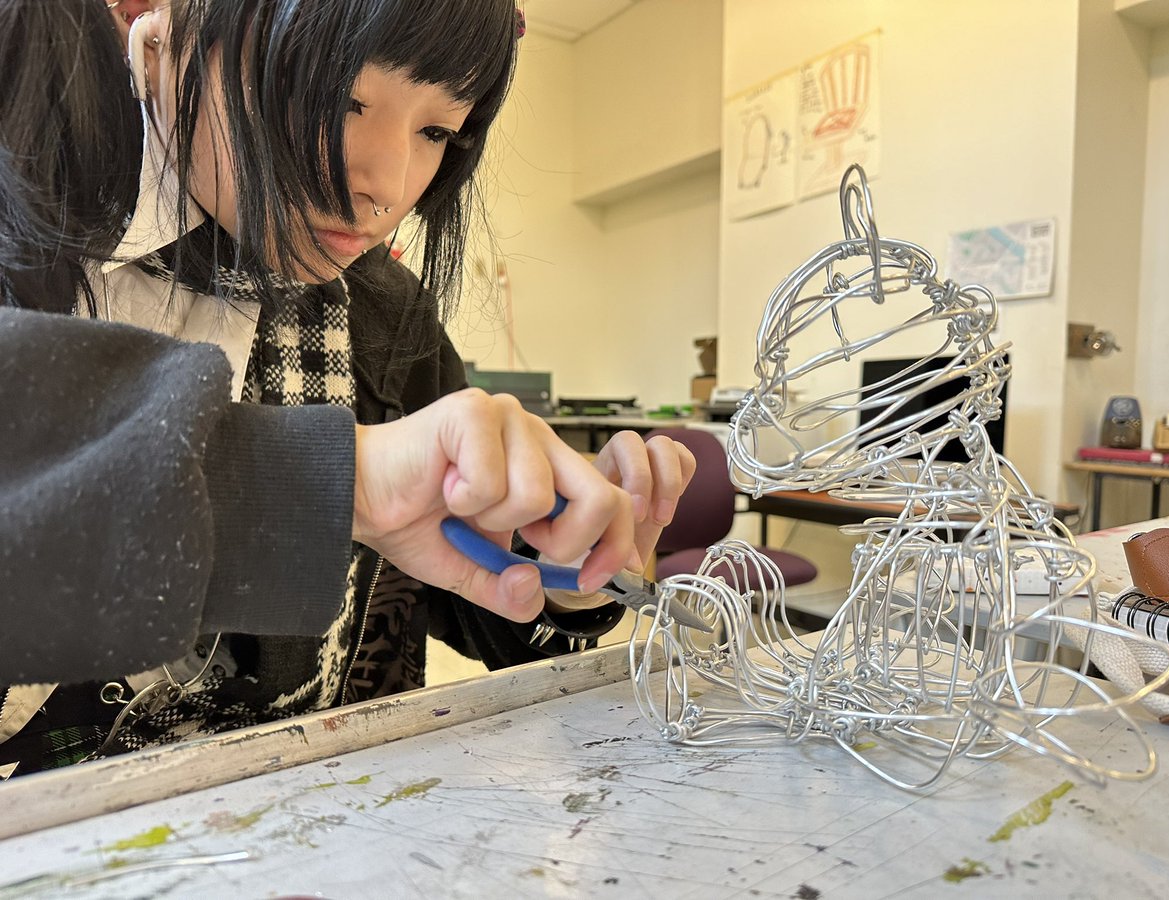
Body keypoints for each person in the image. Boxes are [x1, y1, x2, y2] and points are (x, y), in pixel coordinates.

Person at [0, 0, 694, 774]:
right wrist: (341, 482)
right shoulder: (25, 190)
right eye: (340, 97)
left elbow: (473, 597)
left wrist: (577, 569)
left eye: (438, 130)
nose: (387, 184)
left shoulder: (383, 315)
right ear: (175, 23)